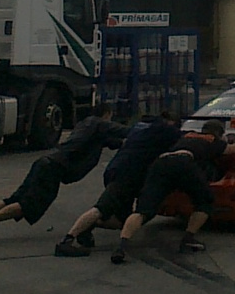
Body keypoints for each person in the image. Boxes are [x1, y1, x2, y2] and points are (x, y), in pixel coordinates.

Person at [0, 102, 125, 242]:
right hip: (54, 169)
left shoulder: (89, 130)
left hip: (46, 162)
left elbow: (115, 142)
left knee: (14, 198)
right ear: (106, 115)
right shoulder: (97, 123)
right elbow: (123, 131)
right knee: (28, 205)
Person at [111, 119, 235, 263]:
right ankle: (188, 238)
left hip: (160, 163)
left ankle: (122, 246)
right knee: (205, 201)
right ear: (219, 134)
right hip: (184, 162)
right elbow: (234, 149)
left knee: (142, 210)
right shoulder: (212, 140)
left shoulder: (187, 135)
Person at [54, 110, 181, 257]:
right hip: (127, 175)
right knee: (100, 208)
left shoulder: (140, 127)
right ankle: (67, 240)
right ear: (171, 122)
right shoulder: (166, 131)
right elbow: (186, 138)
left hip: (116, 170)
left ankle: (89, 226)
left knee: (122, 220)